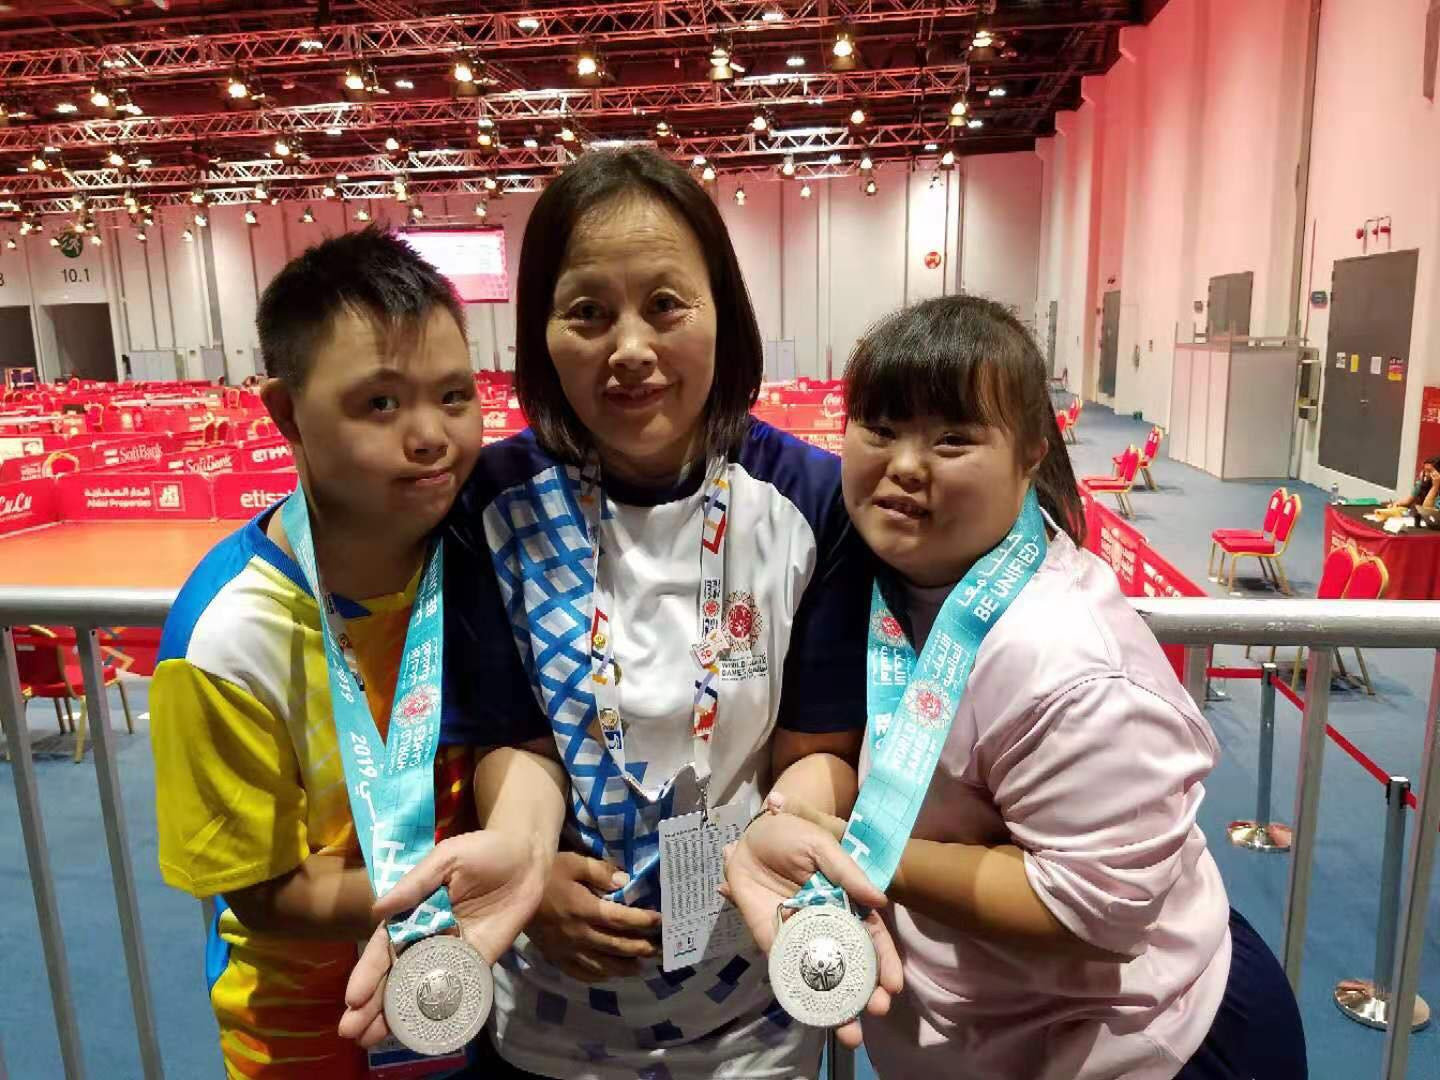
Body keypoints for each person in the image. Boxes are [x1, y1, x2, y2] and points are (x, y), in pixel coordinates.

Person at [343, 148, 888, 1077]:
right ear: (541, 332)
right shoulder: (488, 504)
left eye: (666, 305)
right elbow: (514, 738)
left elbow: (816, 746)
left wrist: (784, 825)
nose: (629, 348)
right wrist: (523, 859)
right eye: (588, 313)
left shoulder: (813, 499)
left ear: (723, 311)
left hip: (752, 1000)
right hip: (548, 1012)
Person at [726, 295, 1307, 1079]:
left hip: (1154, 1047)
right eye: (881, 428)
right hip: (999, 1038)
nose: (906, 465)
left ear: (1031, 454)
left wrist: (854, 852)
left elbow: (1089, 905)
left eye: (953, 439)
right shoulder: (879, 576)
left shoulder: (1067, 658)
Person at [151, 227, 561, 1079]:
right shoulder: (228, 637)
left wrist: (513, 875)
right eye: (379, 403)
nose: (431, 435)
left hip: (481, 1003)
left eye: (455, 395)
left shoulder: (479, 557)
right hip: (308, 1037)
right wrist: (497, 888)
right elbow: (266, 893)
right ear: (285, 414)